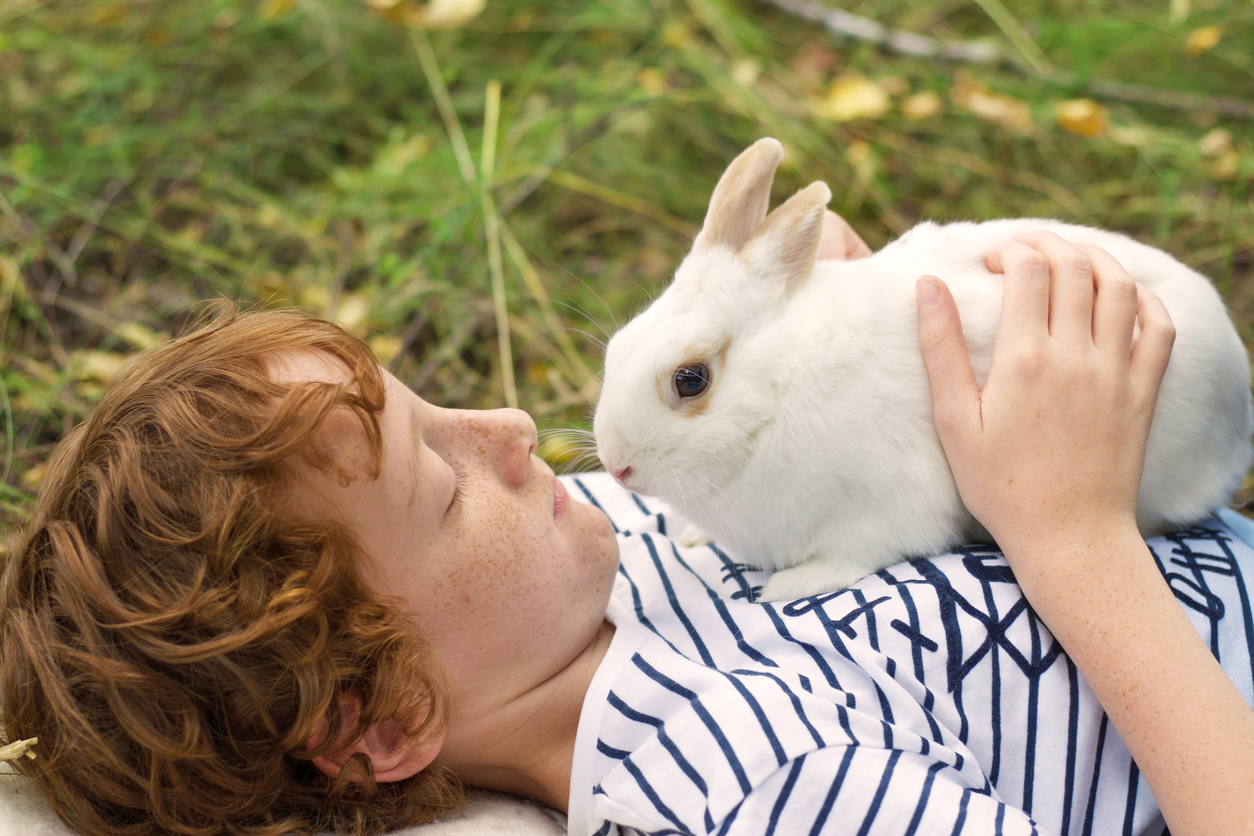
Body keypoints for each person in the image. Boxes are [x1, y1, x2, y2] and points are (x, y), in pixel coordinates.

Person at [2, 214, 1252, 836]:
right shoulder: (743, 782)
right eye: (442, 487)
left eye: (433, 401)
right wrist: (1076, 539)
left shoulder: (578, 558)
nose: (505, 423)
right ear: (384, 722)